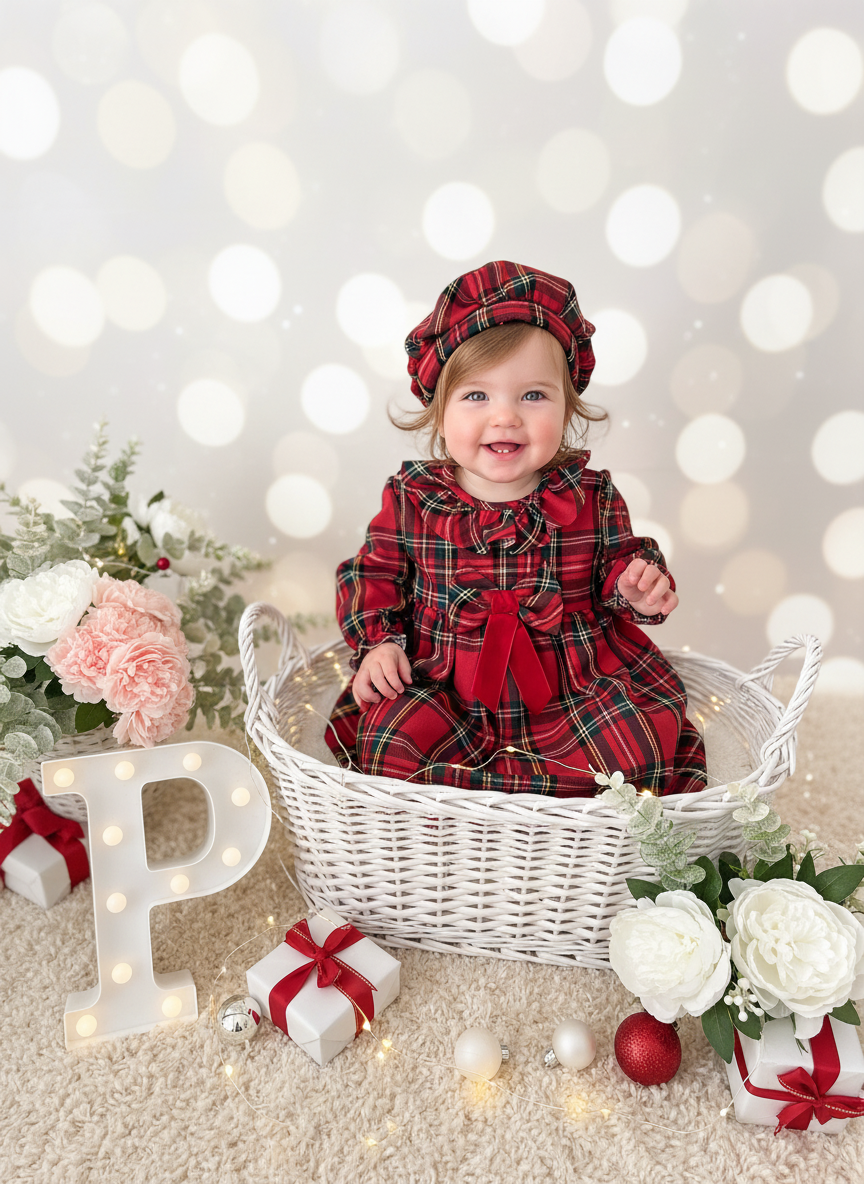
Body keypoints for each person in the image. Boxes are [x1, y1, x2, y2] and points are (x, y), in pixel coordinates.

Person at [326, 261, 706, 796]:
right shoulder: (414, 498)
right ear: (438, 412)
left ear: (569, 406)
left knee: (633, 746)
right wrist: (379, 645)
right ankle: (449, 835)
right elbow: (373, 573)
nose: (505, 417)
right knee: (391, 738)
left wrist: (634, 587)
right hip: (443, 682)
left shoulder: (588, 495)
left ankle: (566, 840)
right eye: (476, 396)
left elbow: (619, 562)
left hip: (570, 685)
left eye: (533, 396)